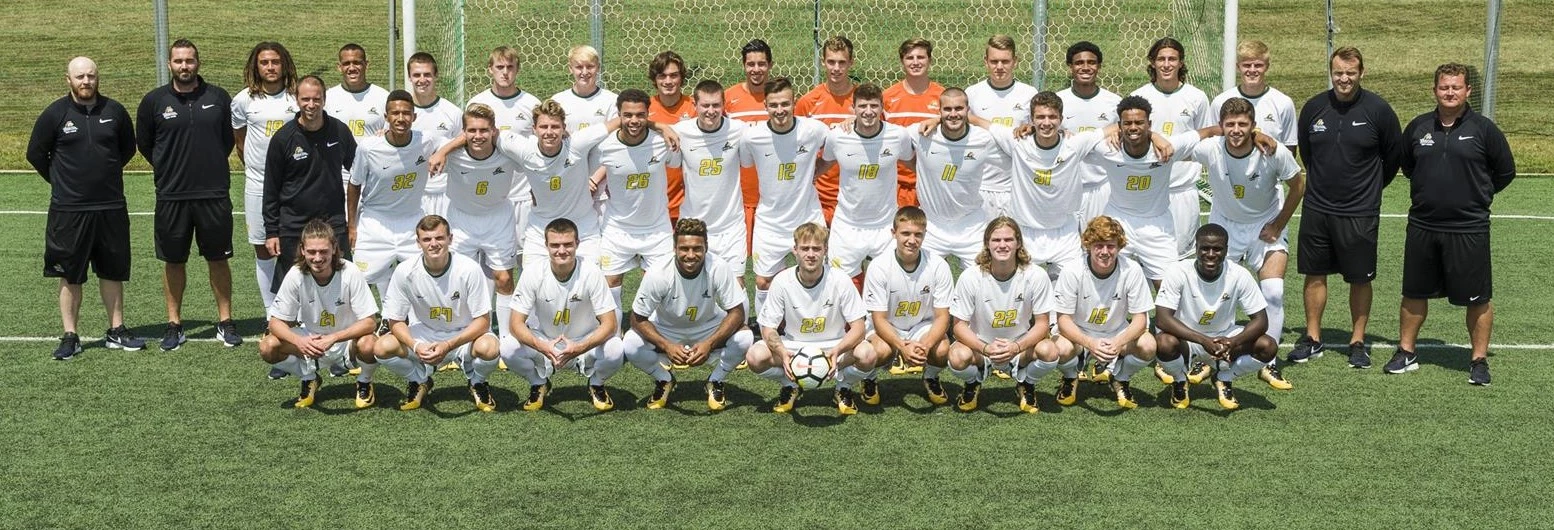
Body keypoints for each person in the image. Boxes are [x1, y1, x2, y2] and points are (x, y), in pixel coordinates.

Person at [1391, 63, 1516, 385]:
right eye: (1444, 87)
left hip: (1469, 228)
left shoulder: (1485, 130)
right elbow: (1407, 165)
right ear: (1435, 90)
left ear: (1467, 91)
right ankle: (1406, 351)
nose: (1450, 92)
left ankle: (1478, 360)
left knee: (1478, 299)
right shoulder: (1418, 127)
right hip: (1423, 225)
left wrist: (1478, 195)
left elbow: (1505, 172)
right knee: (1414, 293)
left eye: (1456, 87)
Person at [1289, 46, 1404, 369]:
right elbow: (1308, 155)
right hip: (1317, 207)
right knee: (1315, 274)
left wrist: (1368, 189)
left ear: (1361, 73)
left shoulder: (1379, 110)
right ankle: (1313, 337)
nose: (1344, 79)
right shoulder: (1314, 108)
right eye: (1338, 72)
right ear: (1331, 72)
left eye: (1350, 73)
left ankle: (1358, 341)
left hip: (1360, 211)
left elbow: (1393, 157)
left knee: (1359, 278)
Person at [27, 56, 143, 360]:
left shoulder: (115, 111)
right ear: (68, 80)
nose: (86, 82)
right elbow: (36, 153)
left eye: (91, 76)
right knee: (70, 275)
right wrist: (61, 183)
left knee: (112, 270)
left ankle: (116, 330)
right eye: (79, 77)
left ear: (98, 78)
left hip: (111, 207)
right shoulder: (55, 114)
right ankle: (71, 335)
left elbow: (126, 149)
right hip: (69, 211)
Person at [1183, 97, 1303, 390]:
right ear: (1221, 127)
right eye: (1230, 125)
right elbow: (1176, 148)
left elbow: (1299, 184)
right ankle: (1205, 356)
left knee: (1273, 292)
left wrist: (1278, 224)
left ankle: (1268, 362)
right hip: (1225, 227)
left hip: (1265, 227)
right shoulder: (1211, 148)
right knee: (1212, 292)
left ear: (1253, 126)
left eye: (1243, 124)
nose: (1236, 130)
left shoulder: (1272, 150)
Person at [135, 38, 240, 351]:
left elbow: (227, 141)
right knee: (173, 261)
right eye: (178, 61)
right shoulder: (153, 101)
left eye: (189, 61)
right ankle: (174, 324)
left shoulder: (219, 97)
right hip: (172, 196)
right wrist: (170, 168)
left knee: (218, 259)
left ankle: (225, 321)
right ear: (170, 64)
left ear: (198, 63)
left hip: (213, 194)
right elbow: (146, 144)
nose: (184, 66)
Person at [745, 223, 875, 415]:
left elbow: (858, 327)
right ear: (795, 251)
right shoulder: (782, 281)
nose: (811, 254)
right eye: (805, 248)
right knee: (754, 357)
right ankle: (789, 384)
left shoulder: (840, 279)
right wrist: (782, 352)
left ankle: (843, 386)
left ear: (826, 251)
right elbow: (768, 328)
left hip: (834, 345)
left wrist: (838, 350)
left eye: (816, 249)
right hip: (794, 345)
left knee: (868, 354)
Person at [623, 218, 754, 410]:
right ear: (674, 248)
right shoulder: (658, 272)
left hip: (707, 326)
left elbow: (737, 312)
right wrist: (666, 345)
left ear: (706, 247)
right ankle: (664, 380)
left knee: (745, 337)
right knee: (630, 343)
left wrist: (709, 343)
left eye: (697, 248)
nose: (690, 255)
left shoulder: (718, 267)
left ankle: (715, 380)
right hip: (667, 328)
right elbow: (637, 318)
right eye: (684, 248)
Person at [375, 215, 502, 412]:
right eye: (427, 239)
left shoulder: (469, 269)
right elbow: (395, 321)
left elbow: (483, 322)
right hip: (425, 333)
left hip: (464, 334)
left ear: (450, 239)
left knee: (490, 348)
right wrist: (416, 346)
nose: (433, 244)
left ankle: (477, 381)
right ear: (418, 243)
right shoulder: (405, 271)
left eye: (439, 238)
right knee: (382, 347)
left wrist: (449, 345)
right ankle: (419, 380)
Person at [499, 218, 625, 412]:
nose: (562, 250)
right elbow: (515, 323)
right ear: (546, 246)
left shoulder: (591, 271)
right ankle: (538, 383)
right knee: (508, 347)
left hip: (584, 342)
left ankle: (596, 383)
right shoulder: (533, 272)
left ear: (577, 244)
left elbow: (610, 324)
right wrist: (543, 346)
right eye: (555, 245)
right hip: (546, 341)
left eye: (568, 244)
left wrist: (579, 347)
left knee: (616, 347)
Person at [946, 217, 1067, 413]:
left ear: (1018, 242)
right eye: (996, 240)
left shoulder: (1035, 275)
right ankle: (973, 381)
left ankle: (1026, 383)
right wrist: (985, 348)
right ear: (987, 243)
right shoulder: (971, 276)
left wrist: (1016, 347)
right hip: (981, 346)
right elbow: (958, 326)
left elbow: (1042, 324)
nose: (1002, 245)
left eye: (1008, 240)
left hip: (1020, 346)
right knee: (957, 356)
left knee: (1050, 351)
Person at [1154, 224, 1278, 410]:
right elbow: (1162, 319)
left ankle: (1223, 378)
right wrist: (1203, 340)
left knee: (1268, 346)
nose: (1211, 254)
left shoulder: (1239, 274)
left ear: (1226, 250)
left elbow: (1261, 321)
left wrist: (1233, 341)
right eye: (1205, 248)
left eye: (1217, 249)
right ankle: (1180, 381)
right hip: (1188, 338)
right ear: (1196, 248)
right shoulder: (1178, 271)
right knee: (1163, 343)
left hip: (1224, 337)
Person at [258, 219, 379, 408]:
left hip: (346, 341)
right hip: (311, 341)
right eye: (312, 251)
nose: (317, 258)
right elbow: (275, 322)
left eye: (323, 251)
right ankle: (309, 378)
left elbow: (370, 322)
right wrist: (300, 341)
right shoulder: (296, 274)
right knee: (268, 346)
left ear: (334, 248)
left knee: (370, 344)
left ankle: (364, 381)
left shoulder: (350, 271)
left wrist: (334, 338)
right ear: (303, 250)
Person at [744, 77, 830, 321]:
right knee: (762, 281)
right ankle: (765, 331)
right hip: (770, 221)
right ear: (765, 106)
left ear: (794, 102)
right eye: (773, 105)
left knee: (819, 273)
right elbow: (747, 162)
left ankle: (819, 324)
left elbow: (836, 147)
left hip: (808, 217)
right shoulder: (753, 137)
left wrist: (816, 171)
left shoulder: (813, 129)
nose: (780, 110)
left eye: (785, 104)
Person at [262, 75, 356, 297]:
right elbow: (271, 189)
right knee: (291, 286)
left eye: (316, 99)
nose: (311, 105)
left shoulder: (339, 131)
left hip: (333, 221)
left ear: (324, 99)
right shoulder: (283, 139)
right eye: (305, 99)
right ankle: (284, 326)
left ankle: (344, 327)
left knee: (343, 281)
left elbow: (360, 169)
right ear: (297, 99)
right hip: (294, 223)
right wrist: (272, 232)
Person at [593, 89, 682, 323]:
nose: (634, 121)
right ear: (619, 115)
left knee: (660, 282)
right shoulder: (605, 146)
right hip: (617, 228)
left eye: (640, 115)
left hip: (656, 229)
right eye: (628, 115)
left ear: (648, 114)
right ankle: (611, 333)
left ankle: (654, 332)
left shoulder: (661, 143)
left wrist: (661, 127)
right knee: (610, 282)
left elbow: (678, 158)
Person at [435, 104, 522, 331]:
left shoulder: (508, 153)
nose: (478, 136)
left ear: (494, 131)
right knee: (457, 279)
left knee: (503, 278)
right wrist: (444, 150)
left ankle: (505, 337)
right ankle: (462, 333)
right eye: (471, 131)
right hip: (461, 221)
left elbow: (537, 151)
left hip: (498, 219)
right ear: (463, 133)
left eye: (484, 130)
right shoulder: (452, 154)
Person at [1054, 216, 1156, 409]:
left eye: (1110, 246)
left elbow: (1140, 320)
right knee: (1060, 349)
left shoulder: (1132, 269)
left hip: (1116, 332)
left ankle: (1120, 378)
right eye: (1098, 245)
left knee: (1149, 345)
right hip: (1079, 333)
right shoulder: (1072, 270)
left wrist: (1117, 344)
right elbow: (1063, 320)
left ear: (1119, 246)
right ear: (1088, 245)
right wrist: (1090, 343)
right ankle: (1070, 377)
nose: (1104, 252)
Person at [347, 90, 437, 296]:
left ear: (414, 117)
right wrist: (352, 225)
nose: (400, 118)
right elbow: (354, 184)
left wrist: (441, 152)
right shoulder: (368, 148)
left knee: (423, 279)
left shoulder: (427, 141)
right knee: (358, 282)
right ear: (386, 117)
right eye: (395, 113)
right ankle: (360, 325)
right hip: (374, 223)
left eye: (406, 113)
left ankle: (407, 322)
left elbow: (459, 140)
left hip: (411, 221)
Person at [821, 83, 914, 282]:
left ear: (882, 108)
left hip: (885, 226)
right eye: (862, 106)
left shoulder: (898, 135)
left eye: (874, 106)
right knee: (840, 286)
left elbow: (913, 162)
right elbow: (824, 163)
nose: (869, 112)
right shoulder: (838, 136)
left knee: (889, 286)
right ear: (852, 109)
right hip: (847, 226)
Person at [231, 41, 298, 319]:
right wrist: (261, 172)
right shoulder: (243, 100)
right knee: (263, 248)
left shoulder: (296, 98)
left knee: (297, 248)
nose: (270, 67)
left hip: (296, 185)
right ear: (255, 67)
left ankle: (300, 312)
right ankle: (272, 314)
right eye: (264, 62)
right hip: (258, 186)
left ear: (284, 65)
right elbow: (241, 144)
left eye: (275, 62)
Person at [1130, 37, 1213, 258]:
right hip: (1148, 191)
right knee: (1142, 259)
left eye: (1172, 59)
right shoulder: (1139, 97)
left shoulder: (1197, 97)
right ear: (1152, 63)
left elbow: (1204, 140)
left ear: (1181, 63)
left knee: (1180, 260)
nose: (1166, 64)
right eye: (1161, 59)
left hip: (1183, 191)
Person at [863, 207, 953, 405]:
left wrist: (926, 345)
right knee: (879, 351)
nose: (912, 240)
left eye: (918, 234)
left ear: (924, 235)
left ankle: (930, 377)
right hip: (888, 325)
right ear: (893, 233)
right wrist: (902, 347)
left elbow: (942, 317)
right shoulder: (879, 266)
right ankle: (868, 379)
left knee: (942, 349)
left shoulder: (938, 265)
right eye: (905, 233)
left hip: (921, 326)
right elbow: (879, 319)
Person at [913, 87, 1002, 265]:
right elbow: (885, 133)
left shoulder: (984, 140)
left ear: (968, 111)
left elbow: (1016, 141)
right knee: (923, 280)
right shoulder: (922, 134)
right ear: (939, 111)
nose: (953, 114)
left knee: (982, 282)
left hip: (971, 225)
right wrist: (855, 120)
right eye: (947, 109)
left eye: (959, 109)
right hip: (932, 225)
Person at [467, 46, 541, 258]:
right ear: (490, 69)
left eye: (510, 67)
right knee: (490, 258)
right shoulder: (477, 103)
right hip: (491, 196)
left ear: (517, 69)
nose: (505, 72)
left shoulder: (531, 104)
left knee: (526, 257)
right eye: (499, 67)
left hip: (524, 193)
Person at [673, 80, 749, 283]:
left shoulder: (739, 130)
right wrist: (659, 126)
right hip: (693, 225)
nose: (711, 111)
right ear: (694, 105)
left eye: (716, 105)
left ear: (724, 105)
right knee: (691, 283)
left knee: (737, 283)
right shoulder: (680, 132)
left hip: (731, 226)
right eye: (705, 105)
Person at [965, 34, 1039, 218]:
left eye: (1005, 61)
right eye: (994, 61)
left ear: (1015, 61)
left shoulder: (1028, 93)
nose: (999, 67)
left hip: (1016, 185)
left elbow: (1037, 131)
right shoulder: (972, 93)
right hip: (980, 185)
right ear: (986, 62)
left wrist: (1031, 128)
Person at [1055, 41, 1122, 224]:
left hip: (1102, 186)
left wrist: (1119, 131)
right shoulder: (1058, 101)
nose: (1085, 67)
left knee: (1101, 245)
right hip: (1066, 185)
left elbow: (1128, 129)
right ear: (1070, 67)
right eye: (1079, 63)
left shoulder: (1114, 102)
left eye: (1091, 63)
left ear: (1099, 66)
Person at [796, 35, 857, 223]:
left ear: (851, 63)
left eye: (841, 62)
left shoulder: (864, 103)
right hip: (819, 194)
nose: (836, 68)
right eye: (831, 62)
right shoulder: (808, 102)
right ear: (823, 62)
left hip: (856, 192)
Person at [725, 39, 774, 252]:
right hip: (737, 195)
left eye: (761, 64)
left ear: (770, 65)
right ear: (744, 65)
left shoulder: (779, 99)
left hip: (772, 195)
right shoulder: (728, 99)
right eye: (751, 64)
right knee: (735, 261)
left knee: (772, 263)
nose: (756, 69)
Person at [883, 38, 944, 208]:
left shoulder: (942, 96)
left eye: (921, 57)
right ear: (902, 61)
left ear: (930, 60)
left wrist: (940, 119)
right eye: (910, 58)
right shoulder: (887, 97)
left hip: (932, 182)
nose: (915, 62)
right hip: (895, 183)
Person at [1210, 40, 1298, 153]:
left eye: (1258, 65)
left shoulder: (1283, 103)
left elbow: (1289, 148)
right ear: (1238, 67)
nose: (1252, 70)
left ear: (1267, 67)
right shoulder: (1220, 102)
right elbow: (1215, 144)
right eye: (1246, 65)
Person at [405, 52, 463, 217]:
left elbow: (464, 140)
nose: (422, 80)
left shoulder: (452, 112)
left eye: (427, 75)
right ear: (409, 77)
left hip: (444, 191)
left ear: (435, 75)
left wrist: (443, 151)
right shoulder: (402, 113)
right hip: (412, 191)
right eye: (416, 75)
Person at [325, 43, 389, 188]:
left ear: (366, 65)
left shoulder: (383, 97)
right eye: (346, 63)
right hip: (338, 179)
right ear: (339, 67)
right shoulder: (328, 98)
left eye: (357, 63)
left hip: (372, 177)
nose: (352, 68)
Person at [647, 51, 695, 221]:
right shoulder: (644, 110)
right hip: (653, 201)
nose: (668, 81)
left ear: (681, 78)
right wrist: (658, 126)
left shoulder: (695, 107)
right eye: (662, 76)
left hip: (689, 202)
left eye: (673, 76)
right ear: (655, 79)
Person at [552, 45, 618, 134]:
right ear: (571, 68)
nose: (585, 72)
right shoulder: (558, 100)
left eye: (590, 66)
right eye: (579, 67)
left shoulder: (612, 100)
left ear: (598, 67)